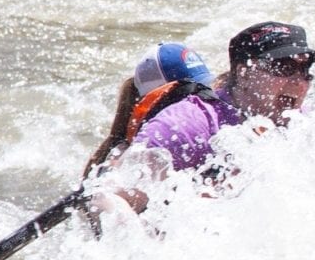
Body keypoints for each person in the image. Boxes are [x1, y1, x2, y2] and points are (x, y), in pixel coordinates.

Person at [95, 21, 315, 217]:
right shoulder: (186, 124)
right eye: (283, 67)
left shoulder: (311, 123)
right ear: (243, 73)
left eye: (305, 70)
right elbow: (105, 200)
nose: (299, 82)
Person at [81, 41, 216, 178]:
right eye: (193, 94)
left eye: (206, 89)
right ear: (157, 100)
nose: (200, 103)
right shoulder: (127, 161)